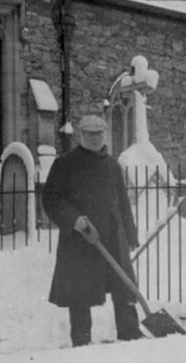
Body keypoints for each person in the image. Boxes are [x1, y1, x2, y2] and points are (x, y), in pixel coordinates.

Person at [42, 115, 145, 347]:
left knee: (123, 285)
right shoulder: (65, 164)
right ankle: (81, 340)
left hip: (111, 236)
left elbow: (122, 203)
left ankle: (130, 334)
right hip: (81, 239)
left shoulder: (112, 165)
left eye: (99, 133)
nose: (95, 138)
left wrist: (130, 233)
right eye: (90, 133)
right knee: (81, 292)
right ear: (81, 135)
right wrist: (74, 219)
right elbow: (51, 198)